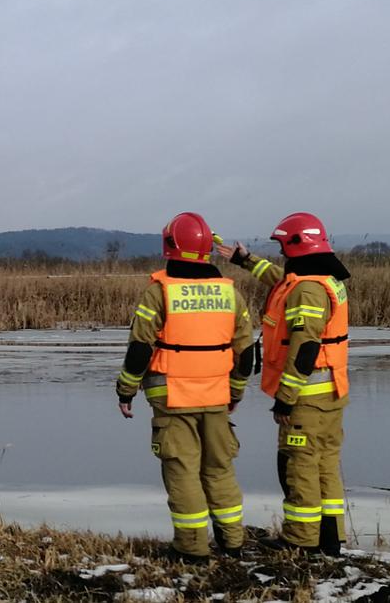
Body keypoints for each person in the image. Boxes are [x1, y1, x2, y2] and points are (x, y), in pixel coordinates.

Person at [116, 212, 257, 562]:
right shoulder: (230, 294)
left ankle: (192, 548)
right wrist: (235, 393)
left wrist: (125, 390)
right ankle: (233, 542)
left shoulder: (159, 292)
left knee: (182, 469)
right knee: (220, 468)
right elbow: (245, 352)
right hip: (217, 394)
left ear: (169, 246)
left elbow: (140, 348)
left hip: (172, 395)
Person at [218, 212, 351, 556]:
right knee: (325, 466)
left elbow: (305, 348)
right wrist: (245, 260)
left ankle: (301, 540)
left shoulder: (308, 290)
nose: (281, 253)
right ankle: (329, 537)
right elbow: (281, 282)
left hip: (307, 396)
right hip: (330, 393)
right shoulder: (320, 279)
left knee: (299, 467)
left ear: (297, 245)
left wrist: (285, 398)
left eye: (282, 246)